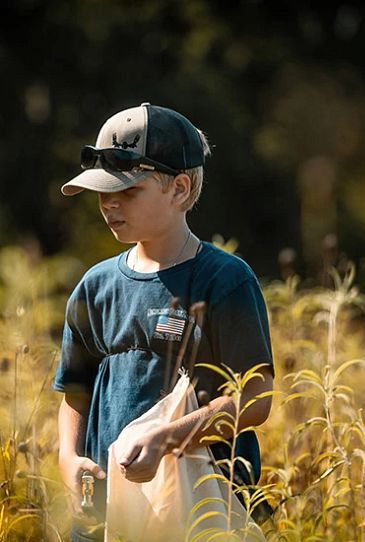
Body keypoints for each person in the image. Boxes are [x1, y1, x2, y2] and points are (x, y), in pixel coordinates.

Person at [56, 103, 275, 541]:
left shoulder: (224, 280)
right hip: (109, 517)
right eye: (102, 192)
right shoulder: (94, 287)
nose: (109, 204)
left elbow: (256, 397)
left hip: (204, 511)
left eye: (129, 190)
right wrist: (67, 458)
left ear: (178, 189)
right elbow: (74, 395)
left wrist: (168, 439)